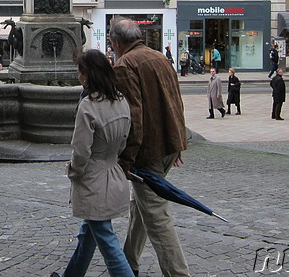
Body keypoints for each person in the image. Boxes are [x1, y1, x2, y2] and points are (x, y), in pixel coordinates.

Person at [109, 18, 190, 277]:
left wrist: (126, 160)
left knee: (156, 214)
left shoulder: (125, 65)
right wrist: (177, 143)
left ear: (116, 42)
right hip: (168, 146)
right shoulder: (159, 57)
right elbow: (176, 100)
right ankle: (128, 261)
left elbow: (134, 117)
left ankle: (178, 274)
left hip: (149, 151)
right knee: (143, 204)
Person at [50, 49, 134, 277]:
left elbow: (81, 151)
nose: (77, 75)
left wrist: (73, 172)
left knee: (107, 241)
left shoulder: (88, 106)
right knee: (89, 234)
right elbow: (125, 141)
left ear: (86, 75)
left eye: (79, 71)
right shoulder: (121, 101)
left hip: (93, 179)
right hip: (112, 172)